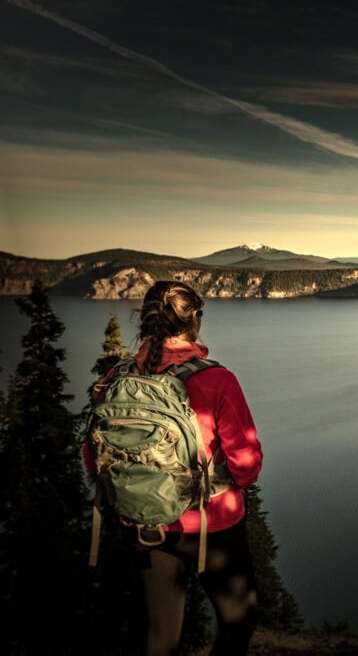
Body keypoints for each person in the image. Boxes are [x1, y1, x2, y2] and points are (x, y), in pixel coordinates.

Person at [84, 280, 264, 656]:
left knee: (162, 634)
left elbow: (93, 458)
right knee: (239, 620)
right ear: (194, 320)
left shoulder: (116, 378)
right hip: (210, 527)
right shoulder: (216, 380)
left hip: (143, 524)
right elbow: (246, 466)